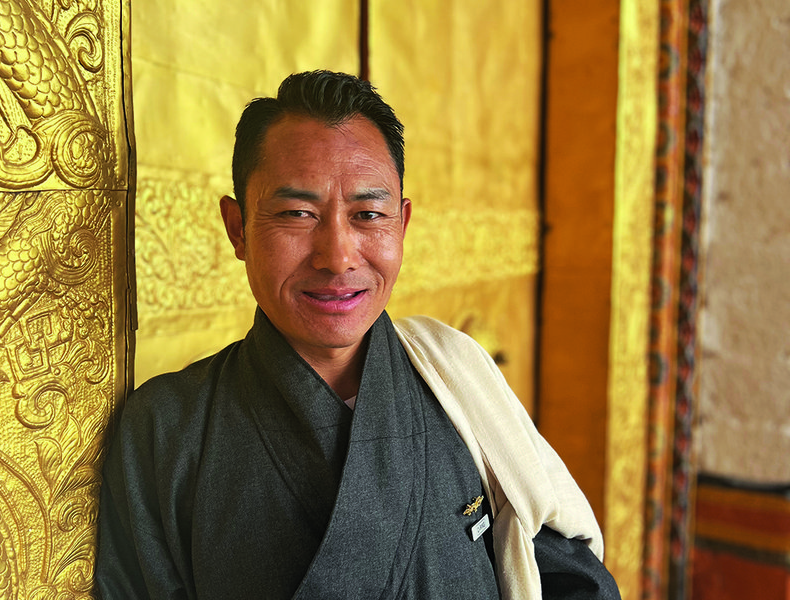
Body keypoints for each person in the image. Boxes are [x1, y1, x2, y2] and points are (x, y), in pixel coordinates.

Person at [96, 70, 620, 600]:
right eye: (297, 214)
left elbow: (570, 580)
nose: (339, 257)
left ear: (402, 223)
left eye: (368, 214)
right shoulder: (166, 430)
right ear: (238, 227)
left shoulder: (457, 378)